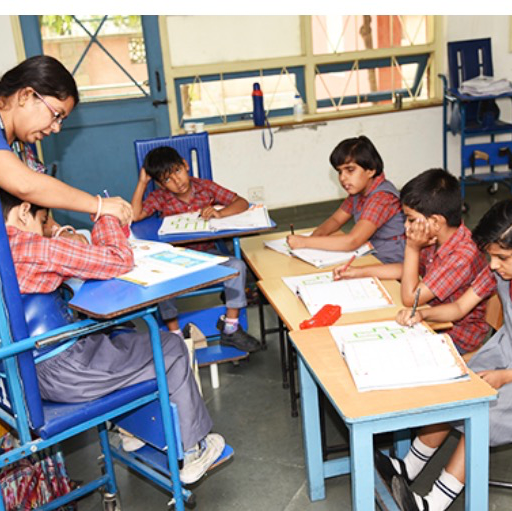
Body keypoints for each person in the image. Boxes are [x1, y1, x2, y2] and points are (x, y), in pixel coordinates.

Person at [0, 188, 225, 485]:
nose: (44, 230)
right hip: (63, 373)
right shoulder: (27, 247)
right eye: (42, 222)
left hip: (18, 378)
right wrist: (106, 215)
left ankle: (132, 431)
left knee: (122, 332)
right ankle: (193, 450)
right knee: (169, 346)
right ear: (23, 211)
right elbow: (118, 259)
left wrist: (64, 240)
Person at [375, 199, 512, 511]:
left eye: (502, 258)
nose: (493, 266)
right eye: (491, 257)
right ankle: (408, 467)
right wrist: (425, 313)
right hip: (504, 351)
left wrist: (505, 376)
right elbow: (461, 306)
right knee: (454, 387)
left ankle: (433, 504)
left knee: (481, 411)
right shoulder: (500, 271)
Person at [334, 168, 488, 354]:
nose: (406, 226)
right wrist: (359, 272)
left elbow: (410, 299)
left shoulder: (461, 256)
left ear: (436, 222)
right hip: (428, 317)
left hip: (455, 335)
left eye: (410, 219)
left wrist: (412, 248)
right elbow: (406, 269)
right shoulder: (436, 237)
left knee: (371, 349)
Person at [131, 145, 261, 353]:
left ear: (185, 165)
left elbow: (241, 202)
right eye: (167, 179)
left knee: (237, 266)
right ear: (160, 184)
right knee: (158, 279)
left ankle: (230, 328)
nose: (177, 181)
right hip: (175, 262)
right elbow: (135, 215)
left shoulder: (205, 187)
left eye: (177, 171)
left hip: (207, 256)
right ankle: (175, 336)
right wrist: (142, 182)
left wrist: (221, 213)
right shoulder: (159, 197)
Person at [0, 55, 131, 226]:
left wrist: (59, 231)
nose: (56, 128)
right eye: (56, 115)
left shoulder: (20, 146)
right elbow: (25, 185)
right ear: (26, 95)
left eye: (61, 120)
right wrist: (97, 205)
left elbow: (34, 208)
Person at [286, 135, 405, 263]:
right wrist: (314, 237)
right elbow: (336, 220)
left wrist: (305, 242)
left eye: (350, 170)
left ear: (370, 170)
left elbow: (353, 241)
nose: (342, 178)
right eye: (340, 172)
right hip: (373, 253)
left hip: (391, 260)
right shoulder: (358, 192)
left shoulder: (382, 198)